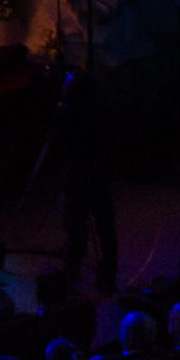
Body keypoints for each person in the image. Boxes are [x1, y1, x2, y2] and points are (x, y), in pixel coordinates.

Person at [50, 69, 120, 295]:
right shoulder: (104, 113)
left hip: (75, 180)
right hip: (99, 178)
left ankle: (71, 272)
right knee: (106, 230)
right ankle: (107, 277)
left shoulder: (67, 115)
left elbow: (55, 143)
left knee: (75, 229)